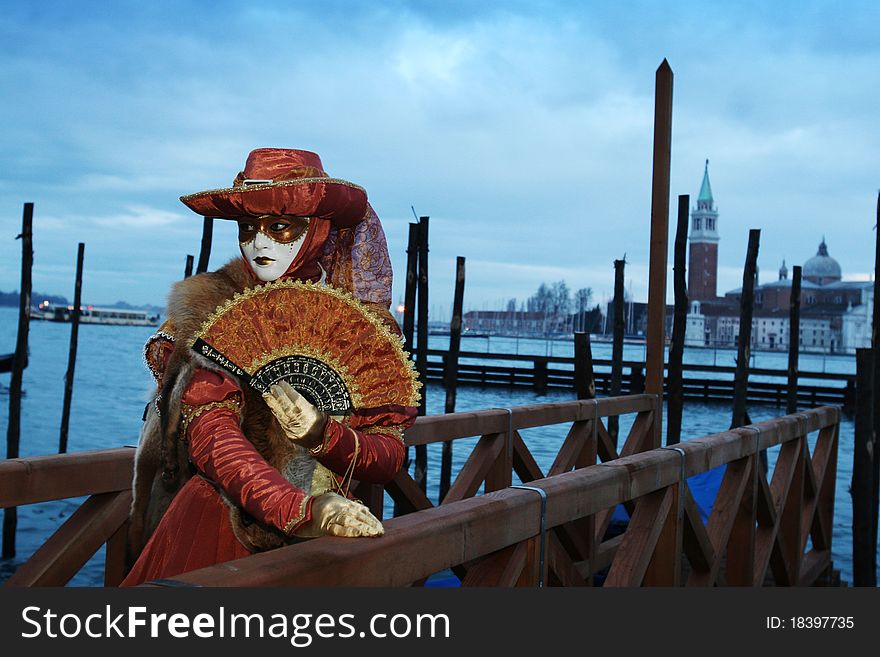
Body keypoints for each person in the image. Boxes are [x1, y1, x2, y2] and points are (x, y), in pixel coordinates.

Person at [122, 148, 417, 586]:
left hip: (331, 539)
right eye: (248, 229)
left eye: (279, 228)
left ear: (317, 230)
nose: (259, 244)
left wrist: (323, 436)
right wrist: (301, 511)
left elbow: (387, 456)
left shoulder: (359, 328)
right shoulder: (216, 310)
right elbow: (210, 433)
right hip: (221, 533)